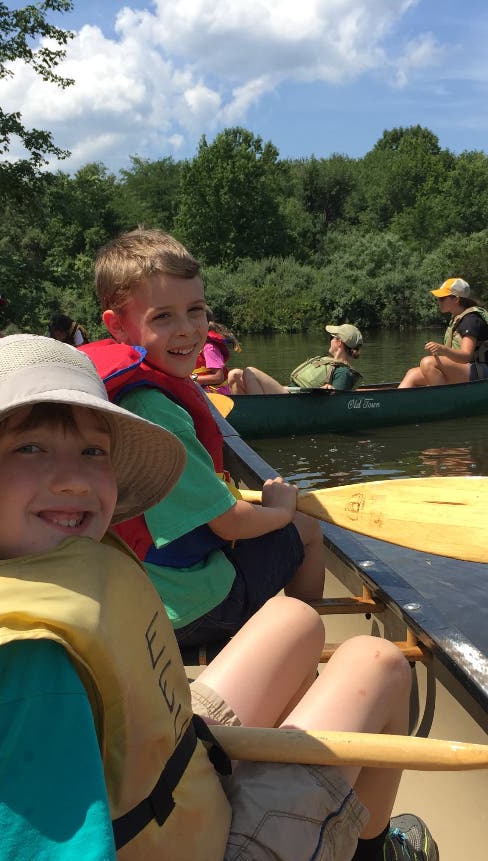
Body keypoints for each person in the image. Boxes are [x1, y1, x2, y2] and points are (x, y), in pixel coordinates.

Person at [0, 335, 439, 861]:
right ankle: (371, 858)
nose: (75, 477)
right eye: (29, 448)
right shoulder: (24, 673)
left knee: (294, 618)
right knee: (379, 661)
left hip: (169, 774)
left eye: (93, 451)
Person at [80, 229, 326, 650]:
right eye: (163, 316)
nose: (188, 330)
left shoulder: (111, 394)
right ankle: (307, 642)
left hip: (133, 592)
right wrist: (281, 511)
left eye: (196, 310)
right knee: (308, 527)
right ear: (116, 326)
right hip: (188, 610)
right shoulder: (158, 415)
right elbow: (229, 522)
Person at [398, 277, 488, 389]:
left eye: (442, 298)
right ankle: (396, 403)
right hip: (465, 369)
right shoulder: (457, 318)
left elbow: (466, 356)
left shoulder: (471, 320)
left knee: (428, 363)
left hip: (480, 372)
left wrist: (443, 349)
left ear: (456, 299)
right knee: (412, 374)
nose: (438, 301)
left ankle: (445, 401)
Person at [228, 324, 363, 395]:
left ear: (339, 342)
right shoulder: (329, 362)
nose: (330, 340)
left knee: (250, 371)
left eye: (332, 337)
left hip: (293, 402)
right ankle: (242, 414)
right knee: (235, 374)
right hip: (289, 392)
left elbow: (340, 404)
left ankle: (256, 416)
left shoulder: (344, 372)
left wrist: (330, 390)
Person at [193, 321, 240, 393]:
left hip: (218, 392)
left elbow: (218, 377)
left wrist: (192, 379)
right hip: (204, 389)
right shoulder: (194, 349)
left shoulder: (209, 349)